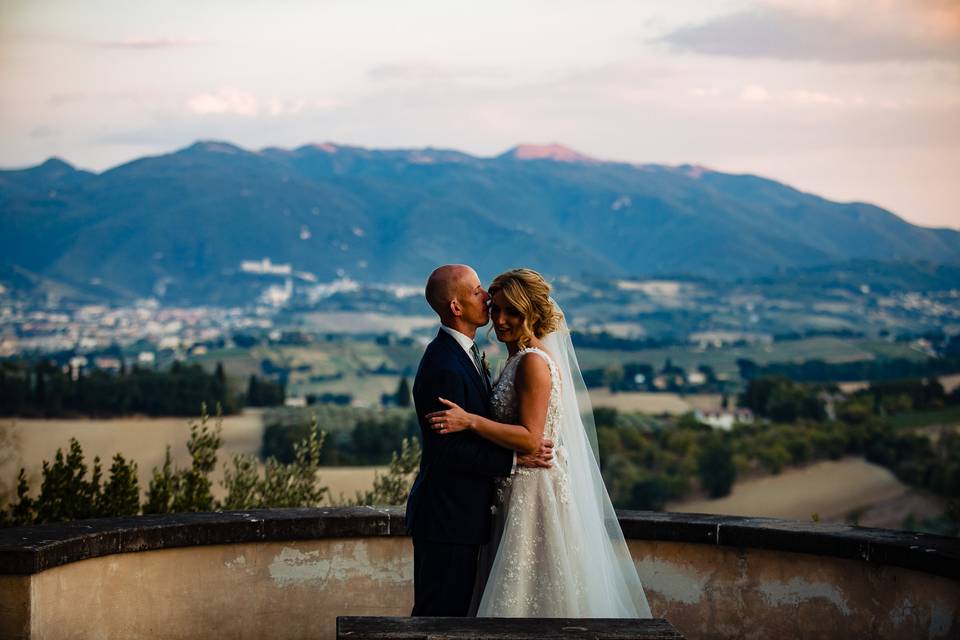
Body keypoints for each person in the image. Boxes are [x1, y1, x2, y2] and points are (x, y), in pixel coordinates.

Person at [427, 268, 653, 618]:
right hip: (511, 493)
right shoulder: (517, 359)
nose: (499, 319)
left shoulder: (533, 362)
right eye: (496, 307)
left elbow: (532, 438)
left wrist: (470, 419)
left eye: (510, 312)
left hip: (532, 495)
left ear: (531, 314)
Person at [405, 264, 554, 617]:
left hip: (465, 517)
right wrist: (515, 461)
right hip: (448, 519)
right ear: (456, 307)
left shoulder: (467, 355)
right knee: (438, 619)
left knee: (454, 615)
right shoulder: (444, 364)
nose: (486, 296)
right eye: (476, 292)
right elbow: (446, 451)